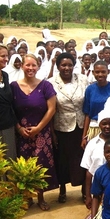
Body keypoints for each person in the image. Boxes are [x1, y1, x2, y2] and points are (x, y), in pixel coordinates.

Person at [10, 53, 58, 210]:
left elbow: (52, 109)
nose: (30, 68)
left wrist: (38, 128)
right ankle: (27, 197)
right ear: (22, 66)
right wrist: (18, 128)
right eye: (27, 65)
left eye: (33, 65)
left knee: (41, 164)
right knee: (23, 167)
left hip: (41, 134)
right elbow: (10, 110)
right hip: (22, 134)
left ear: (38, 66)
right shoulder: (13, 87)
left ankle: (41, 197)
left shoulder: (45, 86)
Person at [48, 52, 88, 204]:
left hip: (81, 126)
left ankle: (85, 191)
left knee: (82, 159)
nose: (67, 68)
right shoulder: (51, 83)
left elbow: (88, 102)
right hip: (61, 127)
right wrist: (52, 133)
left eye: (70, 65)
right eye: (63, 65)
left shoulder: (83, 79)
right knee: (62, 160)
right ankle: (62, 189)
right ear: (58, 66)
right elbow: (50, 109)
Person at [80, 110, 110, 210]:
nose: (107, 126)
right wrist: (88, 195)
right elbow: (88, 172)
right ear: (99, 124)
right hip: (97, 190)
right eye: (104, 123)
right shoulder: (92, 143)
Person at [81, 61, 110, 148]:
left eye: (103, 72)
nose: (100, 74)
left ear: (108, 72)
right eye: (97, 72)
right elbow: (87, 114)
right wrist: (84, 136)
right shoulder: (90, 89)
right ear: (93, 72)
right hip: (94, 128)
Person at [90, 139, 110, 219]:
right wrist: (93, 217)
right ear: (104, 153)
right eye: (108, 152)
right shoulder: (100, 172)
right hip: (106, 210)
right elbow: (95, 197)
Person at [0, 44, 17, 160]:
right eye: (2, 56)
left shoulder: (5, 76)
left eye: (7, 56)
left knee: (10, 159)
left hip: (8, 124)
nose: (6, 59)